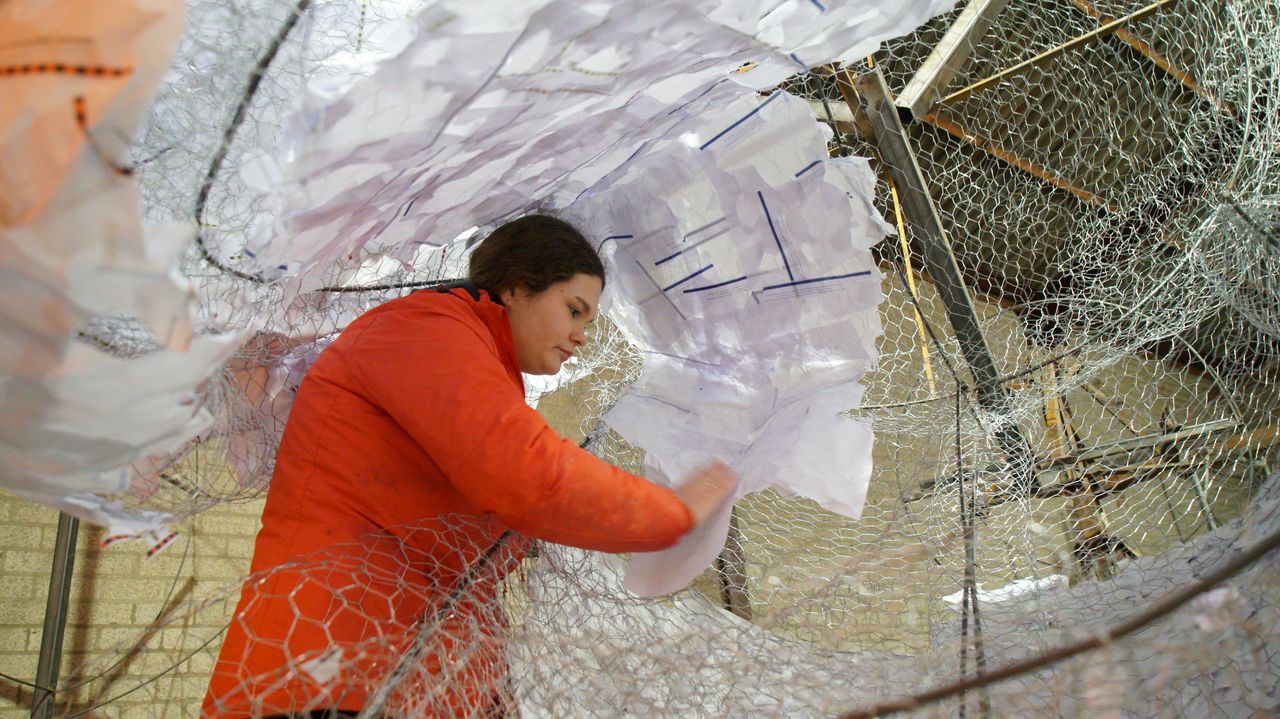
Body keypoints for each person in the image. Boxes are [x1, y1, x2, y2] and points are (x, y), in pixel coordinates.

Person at [201, 215, 739, 718]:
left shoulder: (478, 361)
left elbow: (468, 529)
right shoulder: (425, 330)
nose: (582, 335)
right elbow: (520, 476)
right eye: (574, 309)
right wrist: (672, 512)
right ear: (516, 287)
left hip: (414, 678)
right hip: (331, 671)